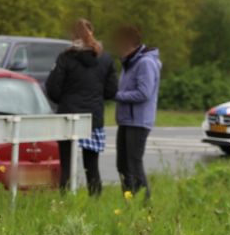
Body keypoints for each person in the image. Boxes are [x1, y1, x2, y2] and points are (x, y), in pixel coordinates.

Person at [45, 19, 118, 195]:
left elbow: (52, 88)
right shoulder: (105, 59)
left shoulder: (65, 57)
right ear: (92, 32)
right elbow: (111, 91)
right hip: (93, 118)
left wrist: (63, 101)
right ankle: (95, 202)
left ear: (73, 36)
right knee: (92, 166)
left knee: (67, 165)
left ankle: (64, 201)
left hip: (68, 117)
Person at [111, 24, 161, 201]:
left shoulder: (145, 63)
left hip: (138, 121)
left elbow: (144, 92)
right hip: (125, 120)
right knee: (122, 165)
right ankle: (129, 201)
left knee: (133, 164)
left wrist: (116, 95)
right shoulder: (129, 63)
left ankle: (143, 203)